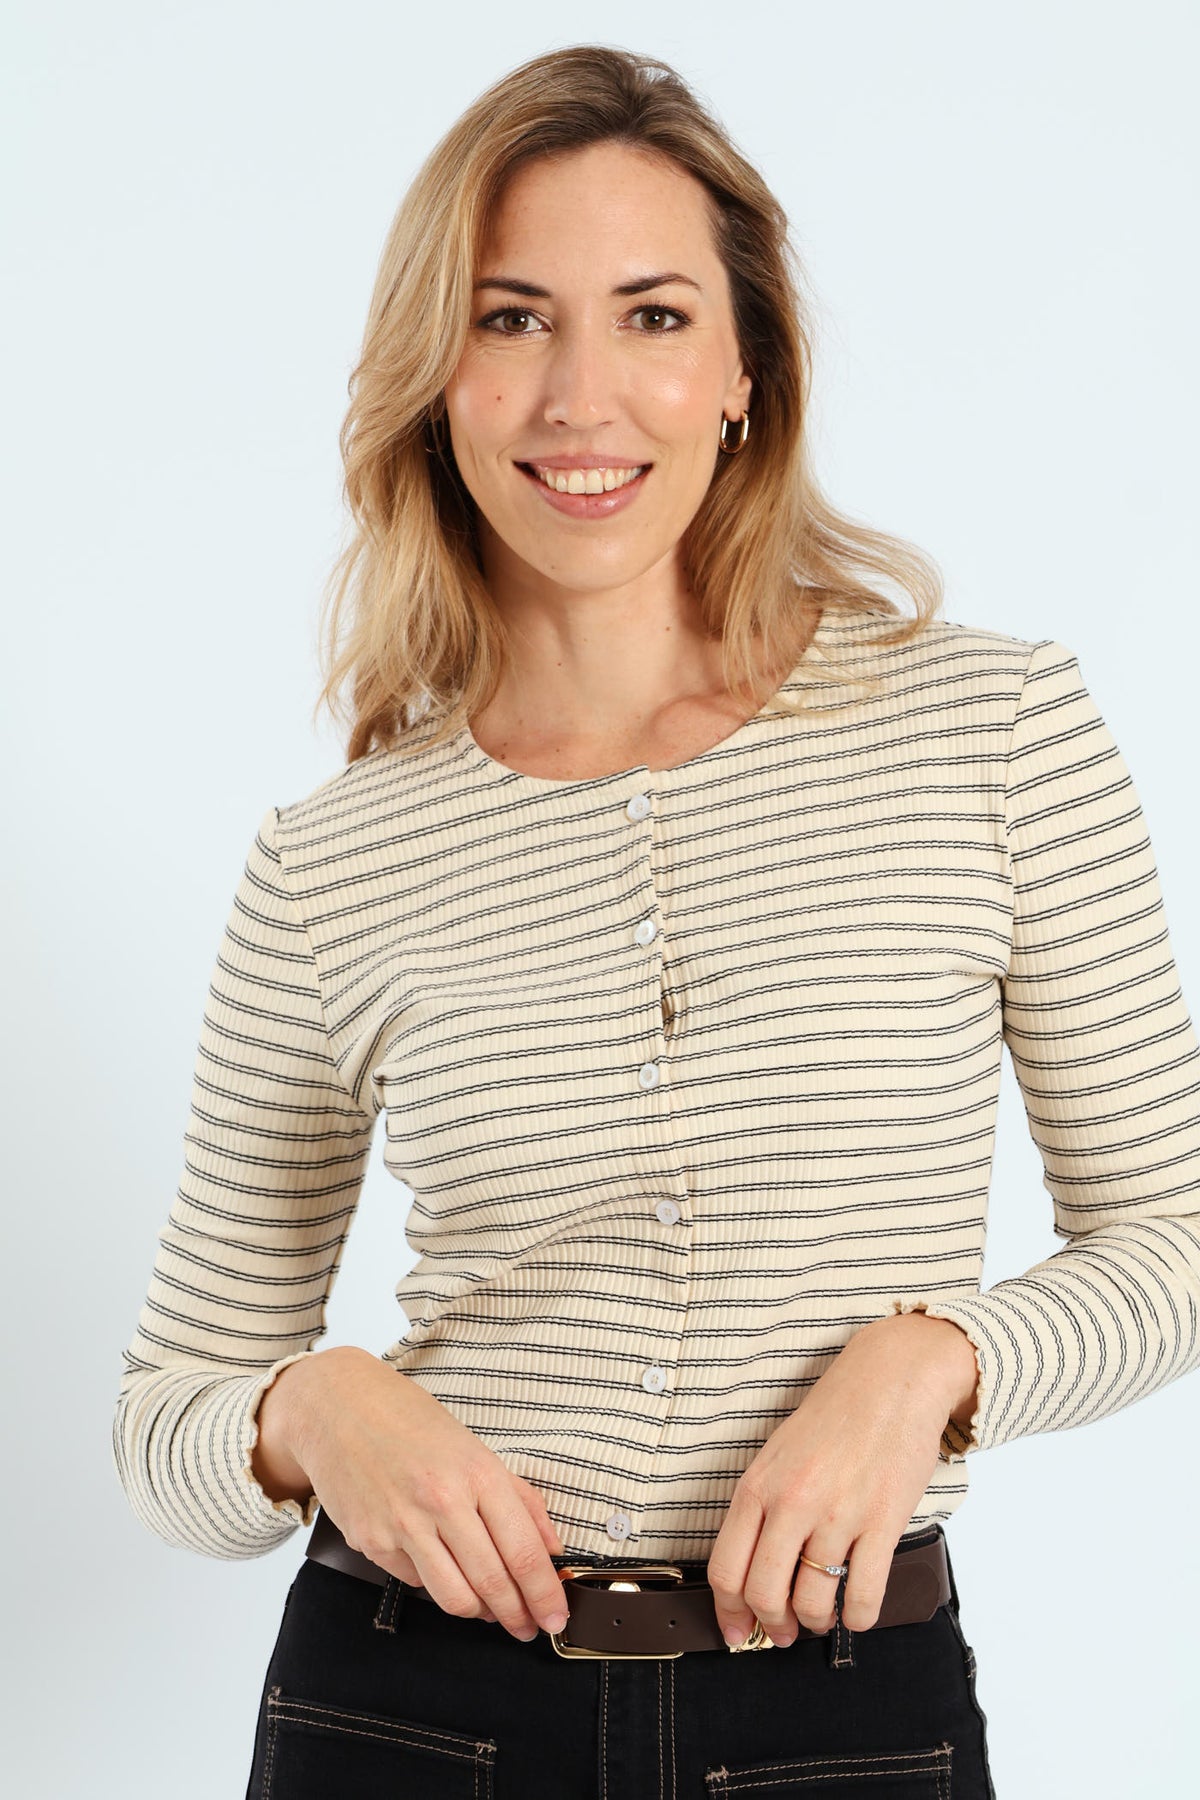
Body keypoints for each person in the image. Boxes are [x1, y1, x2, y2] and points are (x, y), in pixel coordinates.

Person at [112, 44, 1200, 1800]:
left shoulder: (994, 732)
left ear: (747, 369)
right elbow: (168, 1413)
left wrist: (933, 1361)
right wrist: (304, 1407)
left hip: (842, 1712)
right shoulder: (334, 861)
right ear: (438, 379)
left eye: (654, 316)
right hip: (404, 1712)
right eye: (512, 319)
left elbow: (1175, 1239)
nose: (581, 397)